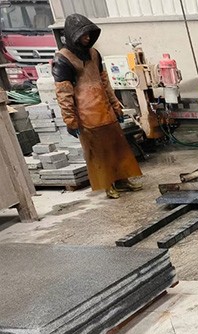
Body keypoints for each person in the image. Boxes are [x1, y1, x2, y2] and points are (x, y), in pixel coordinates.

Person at [52, 14, 142, 199]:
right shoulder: (63, 59)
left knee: (117, 148)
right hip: (87, 115)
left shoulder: (94, 54)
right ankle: (108, 185)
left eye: (89, 34)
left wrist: (116, 106)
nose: (87, 38)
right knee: (99, 153)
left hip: (105, 110)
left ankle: (123, 180)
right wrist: (70, 120)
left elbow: (104, 82)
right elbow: (63, 93)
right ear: (73, 36)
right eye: (83, 35)